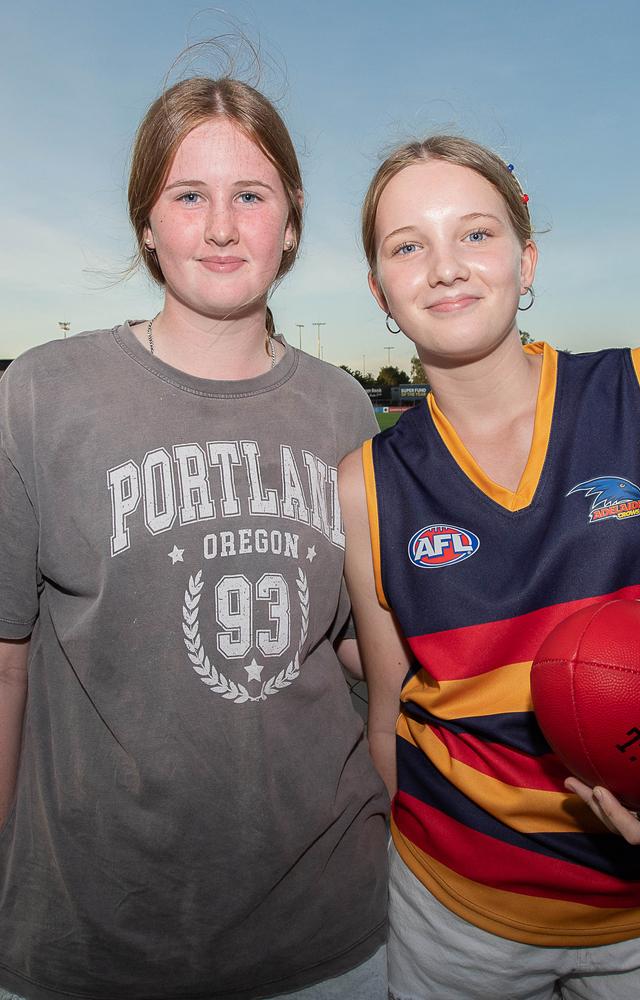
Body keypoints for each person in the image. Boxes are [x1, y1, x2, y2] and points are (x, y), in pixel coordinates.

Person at [0, 76, 389, 1000]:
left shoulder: (342, 406)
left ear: (290, 223)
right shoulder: (40, 396)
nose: (222, 228)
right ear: (147, 223)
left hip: (329, 930)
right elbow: (6, 665)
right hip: (92, 937)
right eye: (189, 196)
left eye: (251, 196)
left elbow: (359, 648)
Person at [339, 134, 640, 1000]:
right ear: (380, 291)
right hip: (454, 915)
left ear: (527, 257)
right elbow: (388, 711)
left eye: (475, 233)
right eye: (409, 246)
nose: (444, 268)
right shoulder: (366, 484)